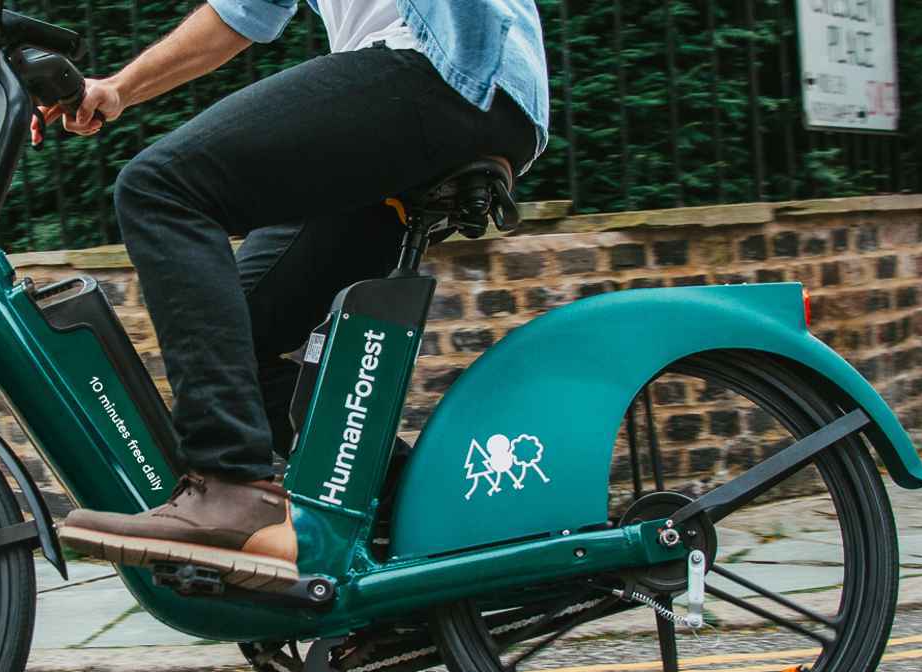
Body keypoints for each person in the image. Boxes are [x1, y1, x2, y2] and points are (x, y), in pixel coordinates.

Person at [52, 0, 550, 590]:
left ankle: (230, 487)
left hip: (446, 72)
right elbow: (242, 12)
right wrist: (119, 88)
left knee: (159, 187)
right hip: (432, 101)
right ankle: (431, 533)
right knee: (239, 341)